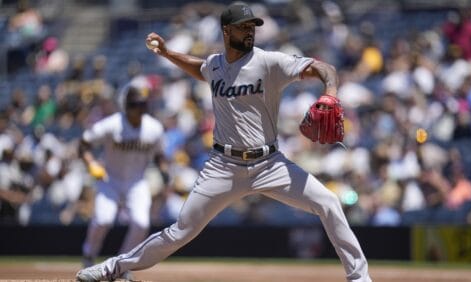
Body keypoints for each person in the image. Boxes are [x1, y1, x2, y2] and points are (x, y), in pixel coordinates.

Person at [76, 3, 371, 281]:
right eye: (244, 26)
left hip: (270, 164)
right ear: (227, 31)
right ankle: (112, 267)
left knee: (329, 202)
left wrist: (330, 90)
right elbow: (200, 68)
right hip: (223, 167)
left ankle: (359, 277)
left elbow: (324, 68)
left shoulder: (269, 62)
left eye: (253, 26)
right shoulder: (216, 65)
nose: (251, 31)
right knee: (181, 231)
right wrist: (167, 54)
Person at [78, 81, 169, 280]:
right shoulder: (112, 124)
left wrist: (164, 170)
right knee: (103, 220)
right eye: (137, 104)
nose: (141, 109)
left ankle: (122, 264)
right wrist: (91, 163)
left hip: (137, 181)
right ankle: (88, 255)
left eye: (144, 104)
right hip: (110, 179)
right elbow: (84, 143)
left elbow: (160, 154)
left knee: (141, 222)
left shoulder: (153, 128)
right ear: (127, 106)